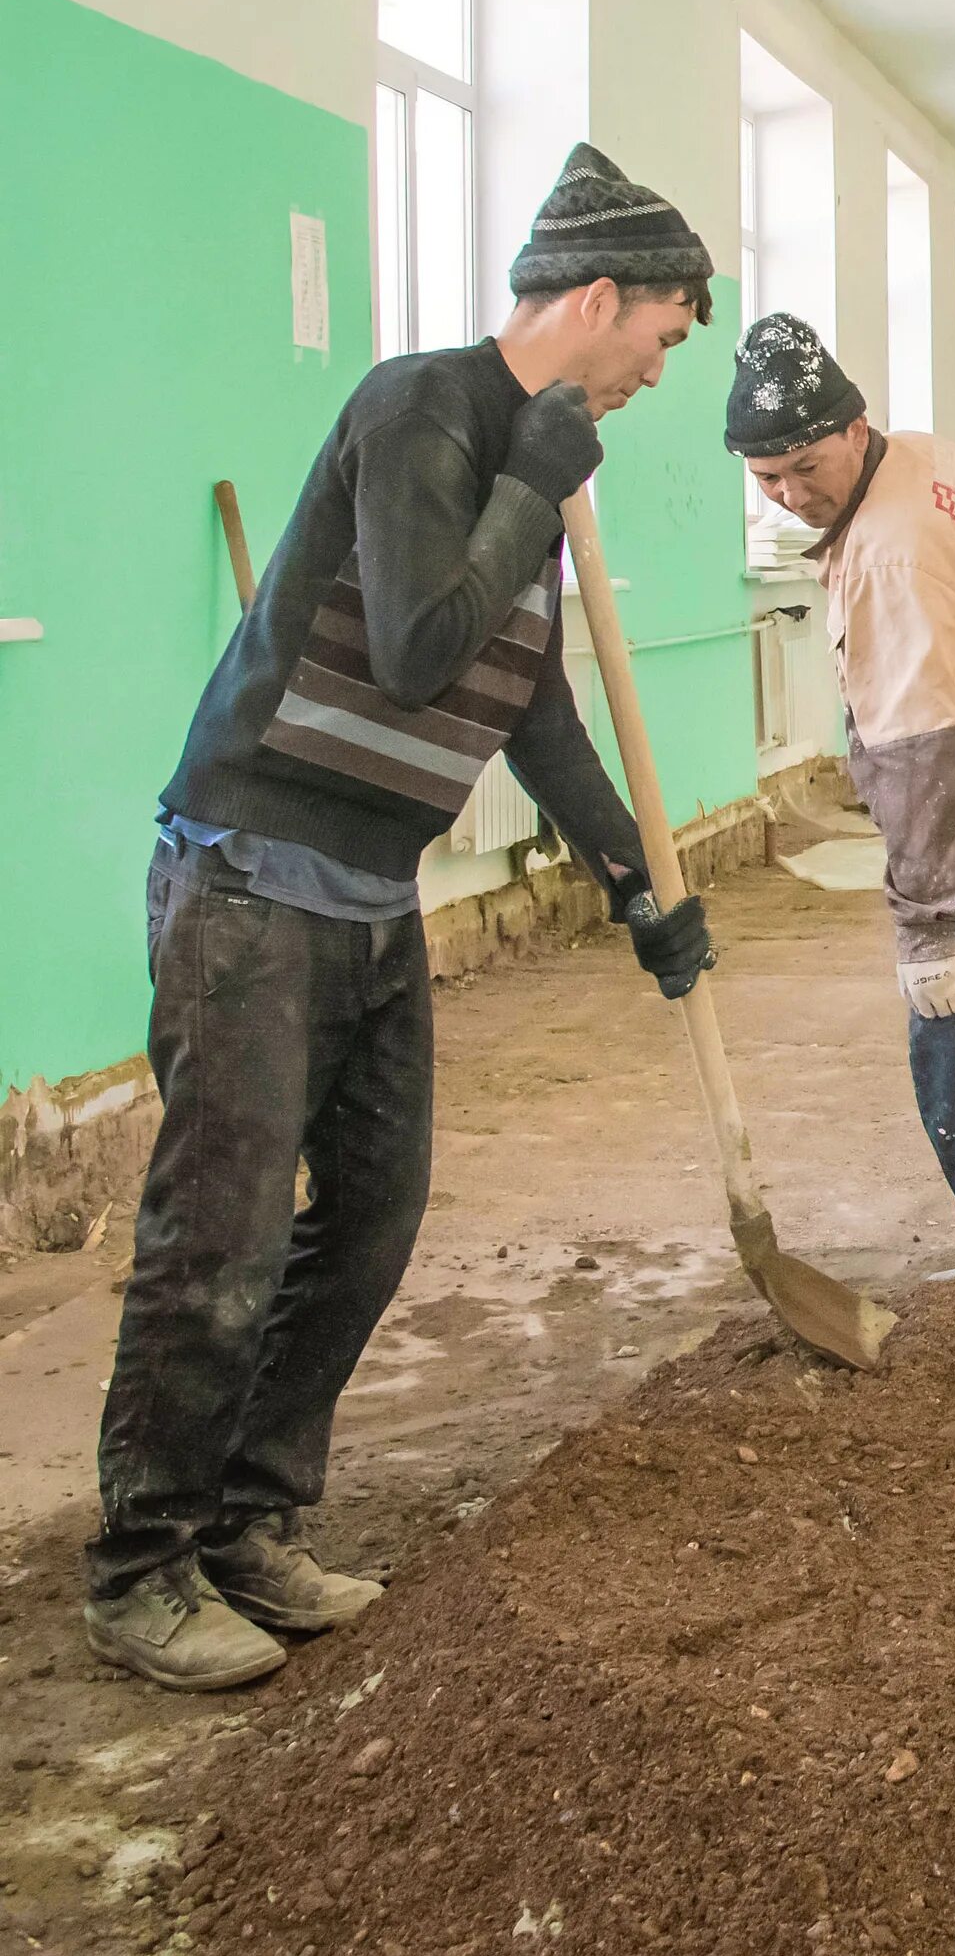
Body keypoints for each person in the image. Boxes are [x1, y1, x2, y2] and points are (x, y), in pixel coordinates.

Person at [89, 143, 720, 1690]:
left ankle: (248, 1521)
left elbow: (528, 703)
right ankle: (138, 1566)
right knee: (219, 1238)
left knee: (368, 1216)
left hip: (371, 897)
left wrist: (639, 876)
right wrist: (535, 482)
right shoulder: (422, 411)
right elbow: (427, 642)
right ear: (594, 297)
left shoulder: (535, 467)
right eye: (661, 333)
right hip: (249, 881)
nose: (658, 368)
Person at [728, 314, 955, 1275]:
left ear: (855, 428)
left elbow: (917, 750)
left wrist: (932, 925)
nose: (788, 495)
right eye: (766, 478)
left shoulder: (890, 553)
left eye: (805, 466)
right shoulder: (928, 457)